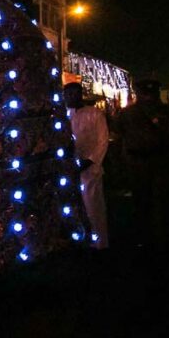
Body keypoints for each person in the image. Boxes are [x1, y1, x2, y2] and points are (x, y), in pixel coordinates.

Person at [115, 78, 169, 264]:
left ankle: (166, 241)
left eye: (151, 93)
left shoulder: (167, 110)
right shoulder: (126, 113)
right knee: (141, 202)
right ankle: (144, 241)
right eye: (143, 93)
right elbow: (120, 137)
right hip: (137, 163)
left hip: (161, 161)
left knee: (164, 202)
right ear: (137, 93)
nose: (147, 96)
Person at [63, 83, 110, 248]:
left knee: (93, 207)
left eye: (76, 93)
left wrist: (88, 161)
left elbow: (103, 141)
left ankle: (99, 242)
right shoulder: (62, 116)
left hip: (90, 170)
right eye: (68, 94)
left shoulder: (95, 114)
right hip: (67, 170)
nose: (72, 97)